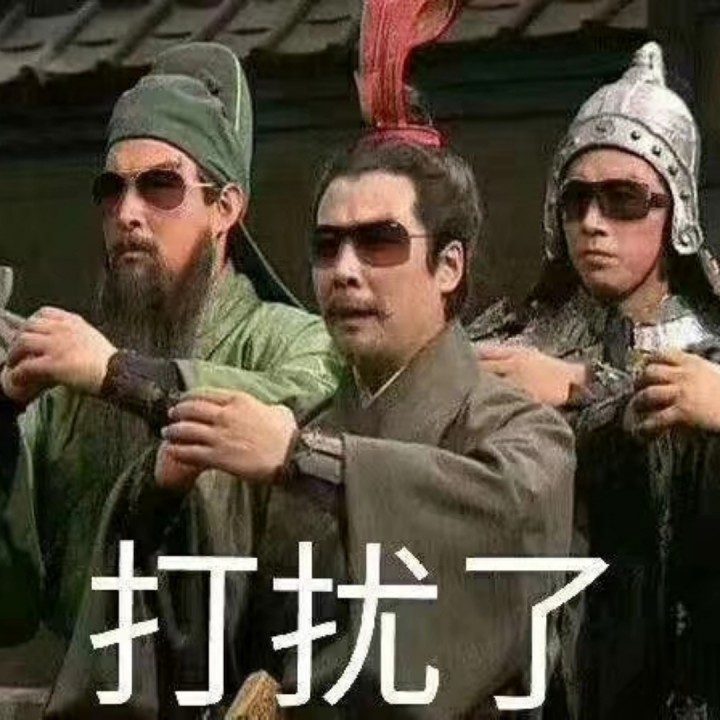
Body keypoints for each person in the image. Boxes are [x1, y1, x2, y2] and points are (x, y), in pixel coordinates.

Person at [149, 0, 577, 711]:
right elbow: (203, 642)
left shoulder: (522, 434)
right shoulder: (299, 426)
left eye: (380, 242)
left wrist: (303, 461)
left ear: (448, 265)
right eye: (327, 246)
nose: (345, 271)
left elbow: (499, 535)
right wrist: (161, 502)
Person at [0, 42, 340, 652]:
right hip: (95, 688)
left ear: (225, 207)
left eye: (160, 186)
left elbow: (307, 419)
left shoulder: (297, 342)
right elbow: (11, 608)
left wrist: (118, 373)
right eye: (113, 189)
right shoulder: (65, 386)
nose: (128, 213)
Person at [469, 42, 720, 719]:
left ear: (676, 212)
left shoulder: (715, 356)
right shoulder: (512, 344)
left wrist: (585, 385)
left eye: (623, 200)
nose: (592, 223)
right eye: (576, 199)